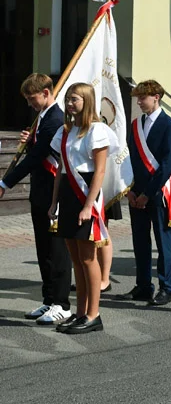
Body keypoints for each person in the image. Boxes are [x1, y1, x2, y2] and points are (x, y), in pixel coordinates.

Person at [0, 74, 71, 325]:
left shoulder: (55, 119)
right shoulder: (41, 117)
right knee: (44, 249)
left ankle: (62, 303)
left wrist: (5, 183)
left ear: (46, 92)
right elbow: (35, 151)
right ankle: (49, 299)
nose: (30, 105)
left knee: (56, 249)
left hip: (54, 192)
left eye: (33, 99)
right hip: (40, 192)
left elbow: (37, 157)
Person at [48, 83, 110, 334]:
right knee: (76, 258)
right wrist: (54, 203)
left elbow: (101, 170)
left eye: (74, 99)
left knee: (87, 258)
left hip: (86, 196)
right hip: (67, 196)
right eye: (68, 100)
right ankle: (81, 311)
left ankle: (93, 314)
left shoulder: (97, 130)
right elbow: (60, 171)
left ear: (87, 100)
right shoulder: (65, 131)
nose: (70, 104)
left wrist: (88, 206)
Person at [119, 79, 171, 306]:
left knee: (163, 242)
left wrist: (148, 193)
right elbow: (129, 159)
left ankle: (167, 287)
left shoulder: (170, 125)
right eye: (137, 98)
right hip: (137, 193)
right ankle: (143, 285)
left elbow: (167, 163)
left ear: (156, 97)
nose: (139, 102)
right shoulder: (136, 124)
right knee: (140, 241)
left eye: (142, 98)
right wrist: (131, 191)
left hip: (158, 193)